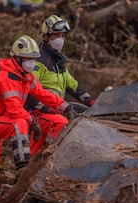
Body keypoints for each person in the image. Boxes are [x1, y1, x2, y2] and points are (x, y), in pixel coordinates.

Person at [0, 35, 71, 195]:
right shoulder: (7, 78)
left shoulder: (26, 77)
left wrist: (65, 106)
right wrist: (32, 120)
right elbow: (15, 110)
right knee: (19, 124)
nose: (32, 63)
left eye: (34, 59)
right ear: (18, 58)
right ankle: (23, 167)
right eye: (29, 59)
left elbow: (43, 94)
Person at [25, 15, 95, 154]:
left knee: (35, 151)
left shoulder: (58, 62)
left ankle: (31, 168)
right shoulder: (39, 60)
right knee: (61, 125)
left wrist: (91, 101)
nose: (61, 39)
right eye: (57, 35)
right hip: (40, 111)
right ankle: (48, 162)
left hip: (56, 109)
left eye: (63, 35)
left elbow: (72, 84)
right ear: (46, 37)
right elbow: (29, 89)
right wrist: (46, 109)